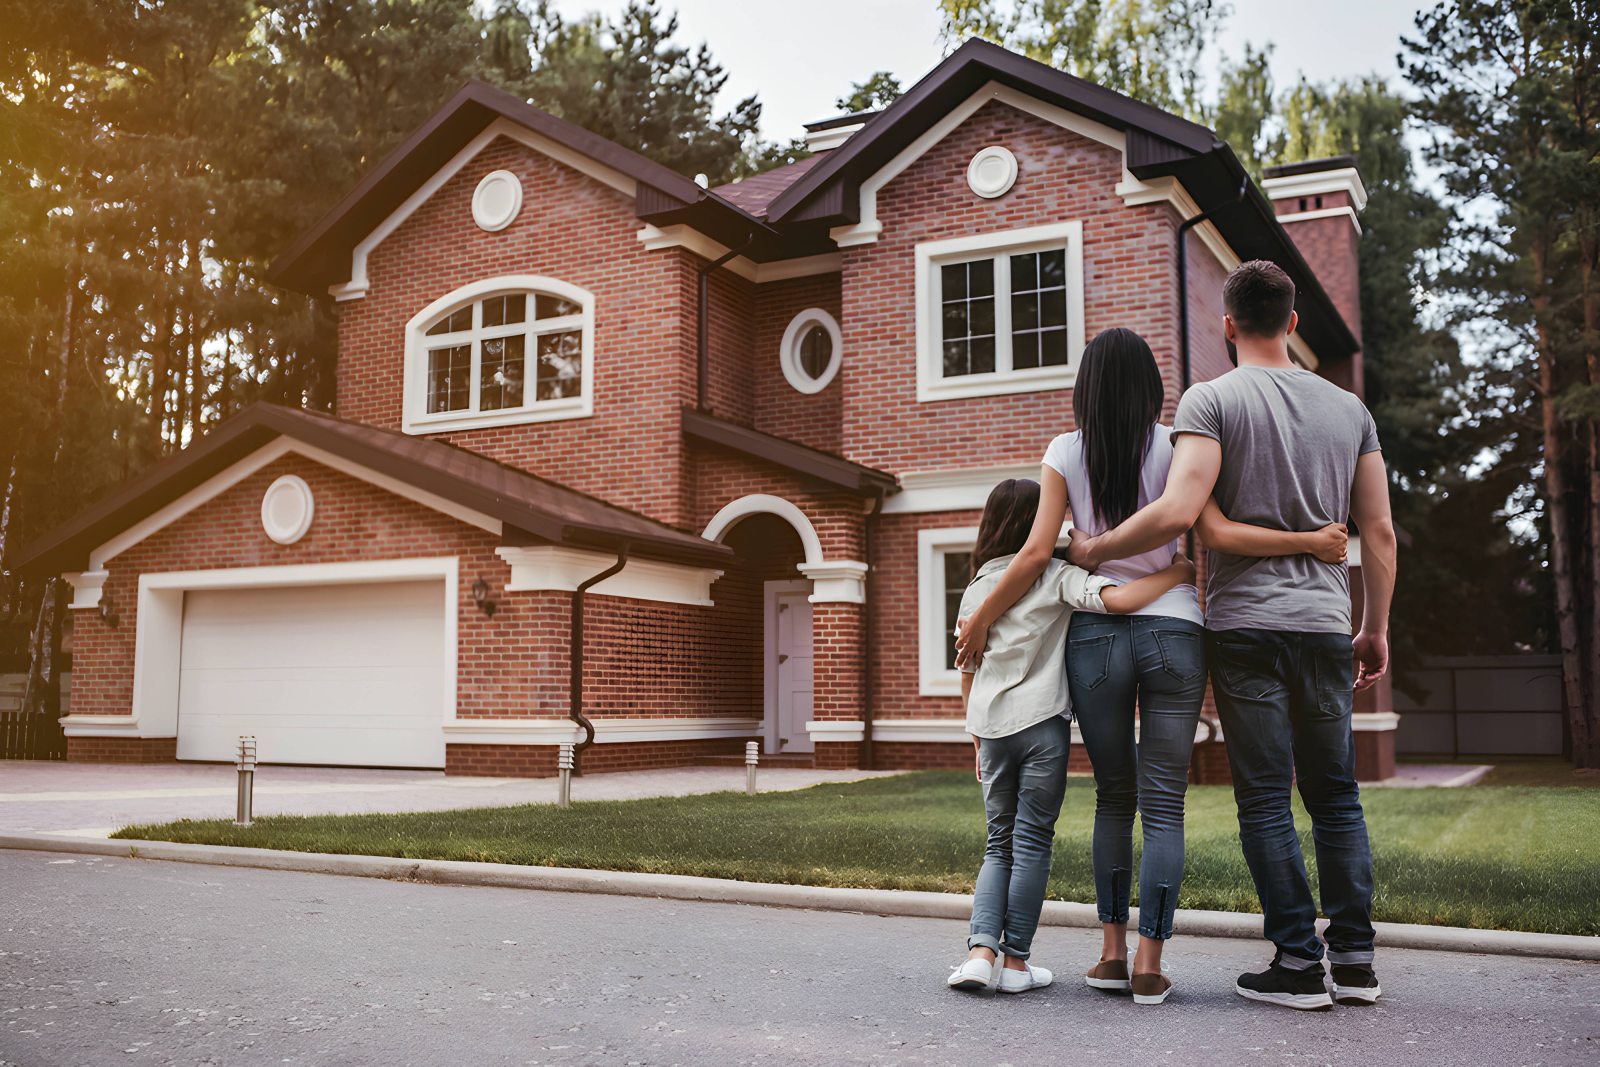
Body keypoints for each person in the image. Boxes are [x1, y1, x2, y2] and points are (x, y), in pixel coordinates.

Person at [954, 327, 1349, 1007]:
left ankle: (1108, 954)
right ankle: (1148, 962)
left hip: (1097, 637)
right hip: (1174, 630)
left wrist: (985, 614)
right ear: (1152, 389)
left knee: (1114, 795)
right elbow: (1209, 525)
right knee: (1164, 803)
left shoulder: (1063, 451)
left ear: (1084, 387)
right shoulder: (1180, 445)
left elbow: (1033, 555)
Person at [1063, 261, 1397, 1011]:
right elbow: (1376, 527)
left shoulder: (1211, 400)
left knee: (1267, 800)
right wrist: (1373, 625)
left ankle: (1297, 963)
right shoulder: (1351, 410)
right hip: (1322, 626)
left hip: (1246, 627)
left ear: (1227, 324)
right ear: (1294, 321)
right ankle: (1356, 959)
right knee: (1337, 795)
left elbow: (1183, 512)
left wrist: (1096, 548)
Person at [946, 477, 1195, 996]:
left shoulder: (975, 589)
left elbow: (967, 670)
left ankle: (978, 954)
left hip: (990, 732)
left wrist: (975, 740)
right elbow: (1121, 600)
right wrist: (1176, 572)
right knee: (1032, 843)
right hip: (1042, 730)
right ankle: (1015, 965)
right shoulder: (1058, 576)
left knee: (999, 844)